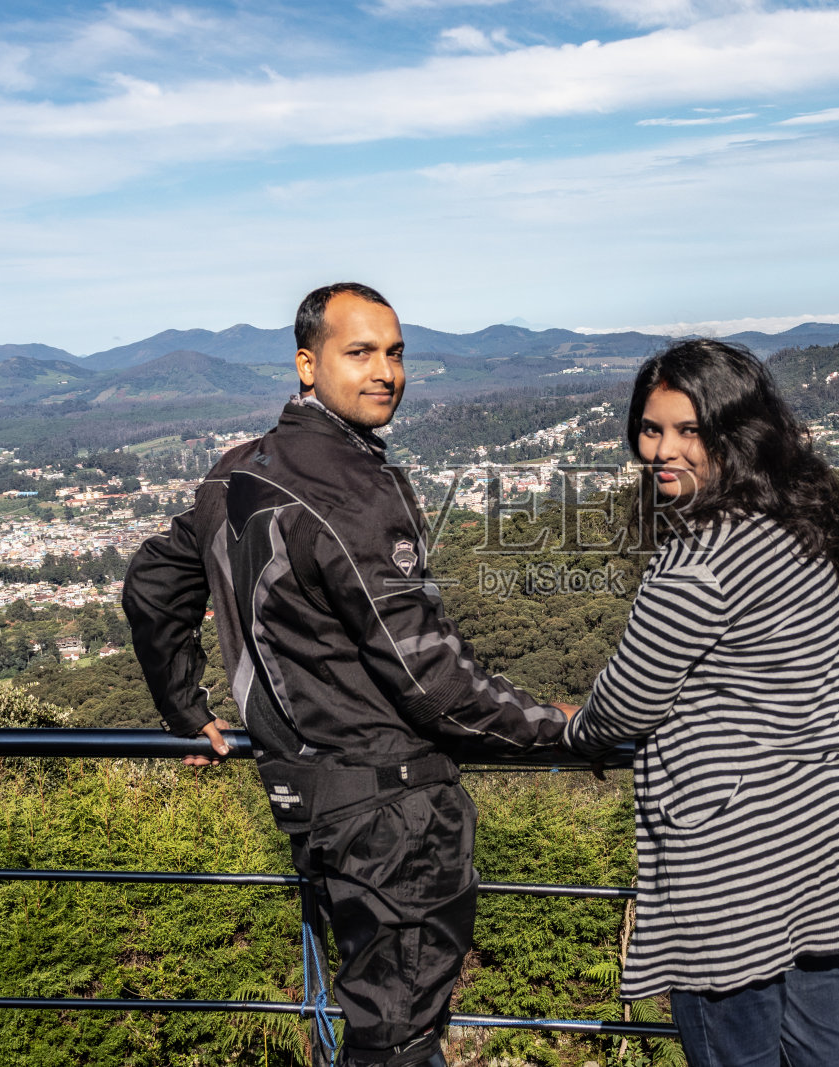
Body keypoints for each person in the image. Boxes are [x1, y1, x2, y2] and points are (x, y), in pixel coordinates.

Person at [122, 282, 569, 1067]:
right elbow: (431, 678)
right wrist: (561, 726)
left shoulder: (232, 474)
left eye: (395, 353)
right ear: (307, 363)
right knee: (397, 1038)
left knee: (376, 1028)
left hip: (309, 802)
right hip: (392, 816)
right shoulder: (353, 490)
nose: (386, 371)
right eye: (359, 352)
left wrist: (182, 706)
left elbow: (153, 589)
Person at [562, 339, 839, 1066]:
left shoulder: (700, 559)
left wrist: (575, 729)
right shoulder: (798, 529)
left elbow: (622, 705)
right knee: (825, 1054)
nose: (663, 450)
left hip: (730, 866)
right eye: (651, 429)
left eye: (688, 430)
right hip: (818, 846)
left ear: (734, 436)